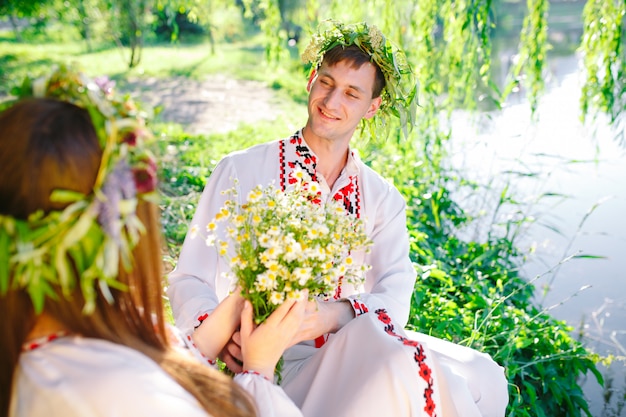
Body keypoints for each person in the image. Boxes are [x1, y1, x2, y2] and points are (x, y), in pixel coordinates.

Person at [168, 21, 509, 416]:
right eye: (326, 83)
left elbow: (394, 295)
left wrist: (330, 316)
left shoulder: (382, 198)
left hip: (344, 341)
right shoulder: (241, 170)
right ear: (311, 81)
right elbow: (189, 276)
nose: (332, 102)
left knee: (483, 375)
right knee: (404, 366)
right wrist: (220, 333)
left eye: (351, 93)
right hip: (267, 352)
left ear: (372, 107)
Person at [0, 66, 306, 417]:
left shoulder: (48, 344)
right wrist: (259, 372)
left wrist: (234, 306)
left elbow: (163, 361)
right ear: (114, 226)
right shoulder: (114, 392)